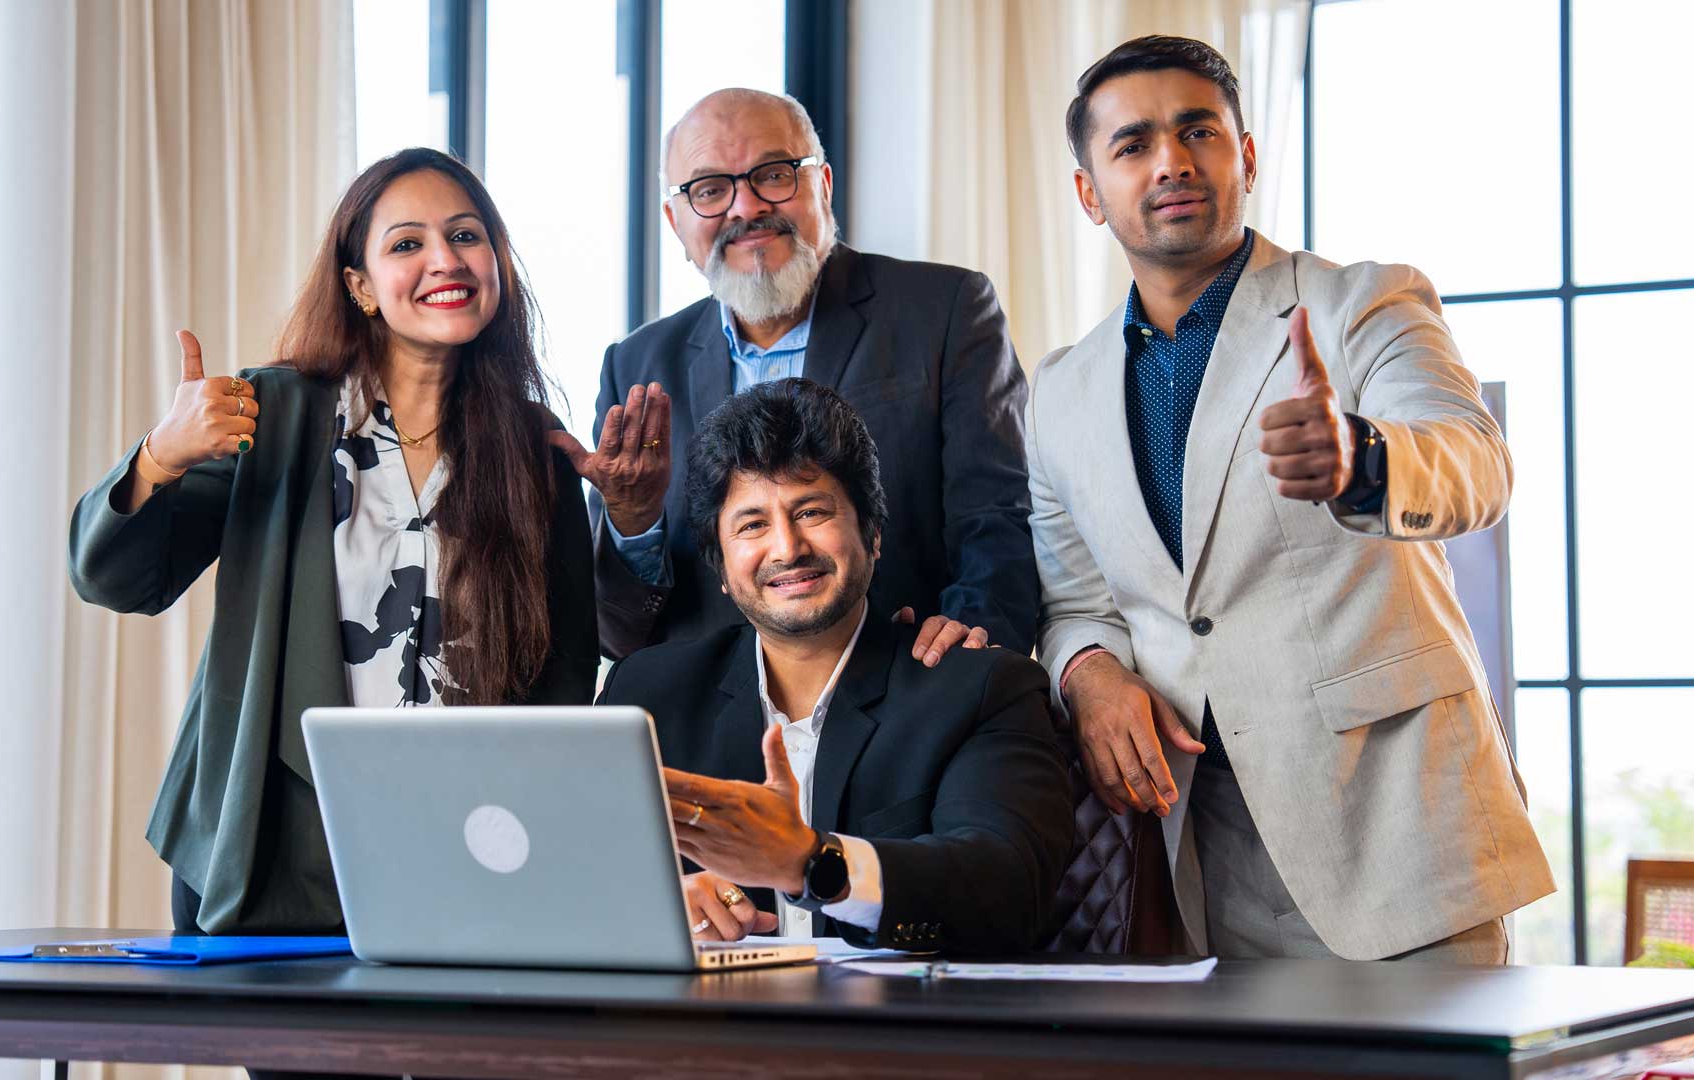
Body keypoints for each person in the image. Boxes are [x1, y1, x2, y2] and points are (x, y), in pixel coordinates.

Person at [1029, 36, 1553, 963]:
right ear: (1088, 192)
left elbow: (1476, 463)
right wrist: (1089, 672)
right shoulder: (1061, 394)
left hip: (1401, 832)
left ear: (1247, 155)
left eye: (1200, 131)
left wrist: (1361, 461)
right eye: (1133, 144)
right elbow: (1077, 603)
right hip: (1207, 851)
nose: (1172, 162)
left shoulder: (1363, 304)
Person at [70, 147, 598, 942]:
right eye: (407, 244)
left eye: (466, 235)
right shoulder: (275, 412)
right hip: (275, 854)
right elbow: (111, 578)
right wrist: (161, 455)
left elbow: (563, 678)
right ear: (360, 287)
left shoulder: (534, 446)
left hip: (462, 860)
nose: (445, 261)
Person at [550, 88, 1038, 664]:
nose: (746, 208)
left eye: (774, 175)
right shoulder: (635, 365)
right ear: (674, 220)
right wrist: (633, 524)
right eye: (709, 190)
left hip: (907, 700)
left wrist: (967, 657)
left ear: (823, 185)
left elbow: (998, 516)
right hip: (708, 729)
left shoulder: (945, 308)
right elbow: (616, 633)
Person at [597, 378, 1076, 952]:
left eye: (812, 511)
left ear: (872, 534)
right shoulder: (650, 696)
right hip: (708, 1033)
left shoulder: (978, 686)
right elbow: (580, 870)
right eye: (752, 524)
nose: (787, 548)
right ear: (721, 568)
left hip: (902, 1032)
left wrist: (814, 863)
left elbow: (1009, 887)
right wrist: (655, 902)